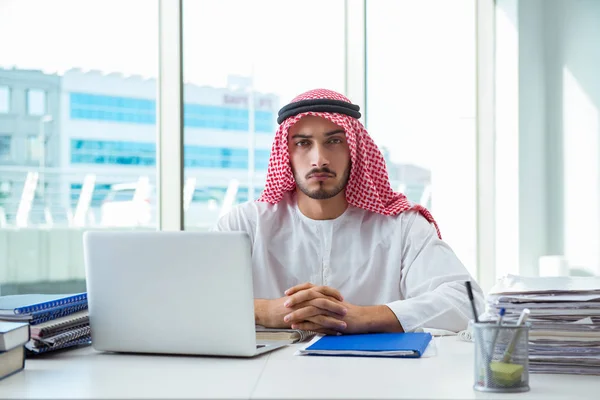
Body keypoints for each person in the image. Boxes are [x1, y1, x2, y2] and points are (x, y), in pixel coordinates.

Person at [214, 88, 484, 335]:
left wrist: (365, 316)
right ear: (286, 152)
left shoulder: (402, 226)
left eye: (333, 141)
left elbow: (465, 301)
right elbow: (192, 298)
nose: (319, 159)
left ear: (355, 150)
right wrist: (266, 311)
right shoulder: (246, 224)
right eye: (303, 143)